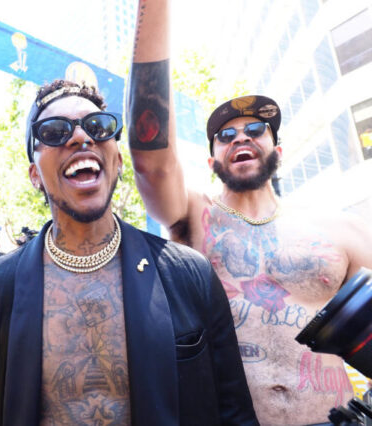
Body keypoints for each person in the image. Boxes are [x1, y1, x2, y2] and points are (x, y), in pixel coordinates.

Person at [0, 35, 257, 426]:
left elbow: (234, 413)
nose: (81, 137)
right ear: (35, 176)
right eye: (54, 132)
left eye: (98, 126)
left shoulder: (188, 274)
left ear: (116, 159)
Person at [126, 2, 372, 423]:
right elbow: (151, 158)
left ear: (277, 151)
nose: (241, 135)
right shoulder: (191, 217)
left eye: (256, 129)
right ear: (212, 161)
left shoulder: (342, 229)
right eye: (225, 135)